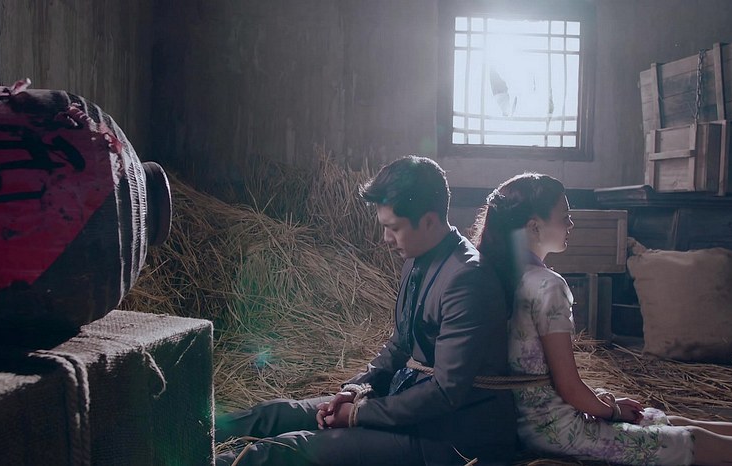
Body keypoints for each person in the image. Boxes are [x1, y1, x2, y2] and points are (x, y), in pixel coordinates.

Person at [214, 156, 517, 465]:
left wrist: (358, 414)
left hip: (447, 436)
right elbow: (400, 345)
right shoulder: (417, 257)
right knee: (276, 414)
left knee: (287, 449)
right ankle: (196, 432)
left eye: (393, 228)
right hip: (406, 402)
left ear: (428, 221)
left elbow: (444, 392)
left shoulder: (467, 278)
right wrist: (354, 389)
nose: (386, 239)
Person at [471, 172, 732, 466]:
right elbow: (569, 386)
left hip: (534, 421)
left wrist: (606, 404)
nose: (571, 223)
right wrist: (613, 410)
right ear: (534, 227)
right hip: (559, 428)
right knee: (692, 440)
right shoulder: (547, 285)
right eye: (564, 216)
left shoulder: (504, 275)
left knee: (666, 421)